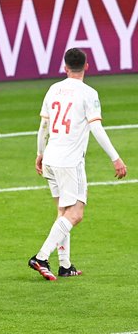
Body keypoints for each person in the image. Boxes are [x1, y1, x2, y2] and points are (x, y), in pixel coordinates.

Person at [29, 48, 127, 281]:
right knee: (76, 213)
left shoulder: (53, 89)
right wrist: (115, 157)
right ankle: (41, 257)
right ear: (87, 66)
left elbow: (43, 127)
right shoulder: (88, 93)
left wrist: (40, 154)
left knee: (63, 212)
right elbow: (96, 128)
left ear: (65, 67)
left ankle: (65, 265)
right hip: (70, 162)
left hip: (51, 157)